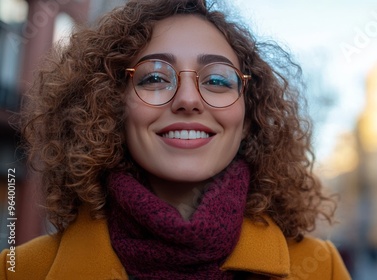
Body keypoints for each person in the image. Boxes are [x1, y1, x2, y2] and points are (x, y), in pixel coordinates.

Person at [0, 0, 351, 279]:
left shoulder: (320, 269)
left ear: (247, 119)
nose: (188, 99)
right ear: (110, 107)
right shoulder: (18, 272)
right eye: (154, 77)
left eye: (217, 81)